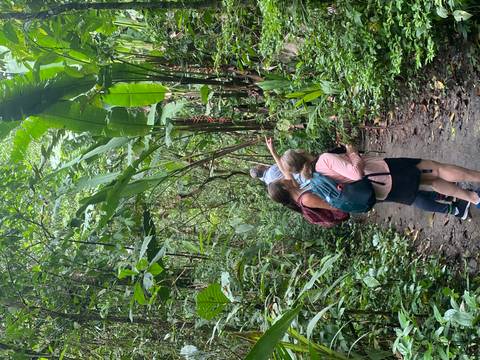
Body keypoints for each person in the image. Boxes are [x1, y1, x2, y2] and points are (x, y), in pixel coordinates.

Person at [280, 144, 475, 219]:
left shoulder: (313, 182)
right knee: (436, 169)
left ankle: (472, 198)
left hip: (379, 191)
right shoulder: (323, 161)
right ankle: (474, 192)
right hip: (384, 173)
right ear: (301, 152)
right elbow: (356, 173)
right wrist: (352, 152)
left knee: (426, 184)